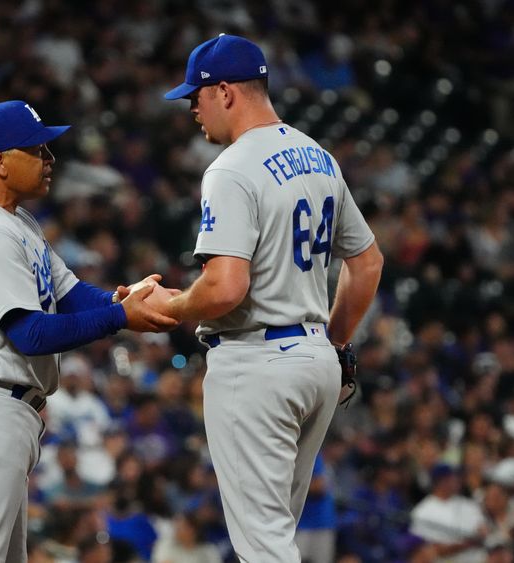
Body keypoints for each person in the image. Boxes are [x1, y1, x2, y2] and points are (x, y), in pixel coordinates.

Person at [0, 100, 177, 563]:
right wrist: (121, 318)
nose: (50, 160)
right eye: (37, 149)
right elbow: (32, 335)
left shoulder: (14, 221)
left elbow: (70, 292)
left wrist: (127, 300)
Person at [161, 34, 383, 561]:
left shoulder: (232, 168)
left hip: (255, 365)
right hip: (314, 363)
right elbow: (368, 262)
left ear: (226, 92)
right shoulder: (319, 157)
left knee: (263, 546)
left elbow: (225, 287)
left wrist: (170, 306)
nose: (192, 107)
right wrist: (330, 342)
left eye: (197, 95)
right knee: (275, 535)